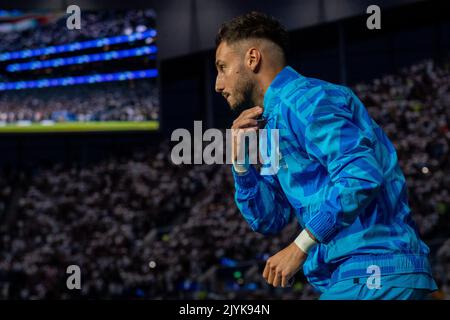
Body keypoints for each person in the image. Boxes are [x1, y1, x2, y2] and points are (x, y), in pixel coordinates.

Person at [214, 11, 438, 300]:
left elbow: (360, 175)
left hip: (374, 265)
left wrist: (300, 246)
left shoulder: (306, 99)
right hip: (355, 274)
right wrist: (241, 163)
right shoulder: (270, 126)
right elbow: (269, 219)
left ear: (252, 59)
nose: (218, 84)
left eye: (222, 67)